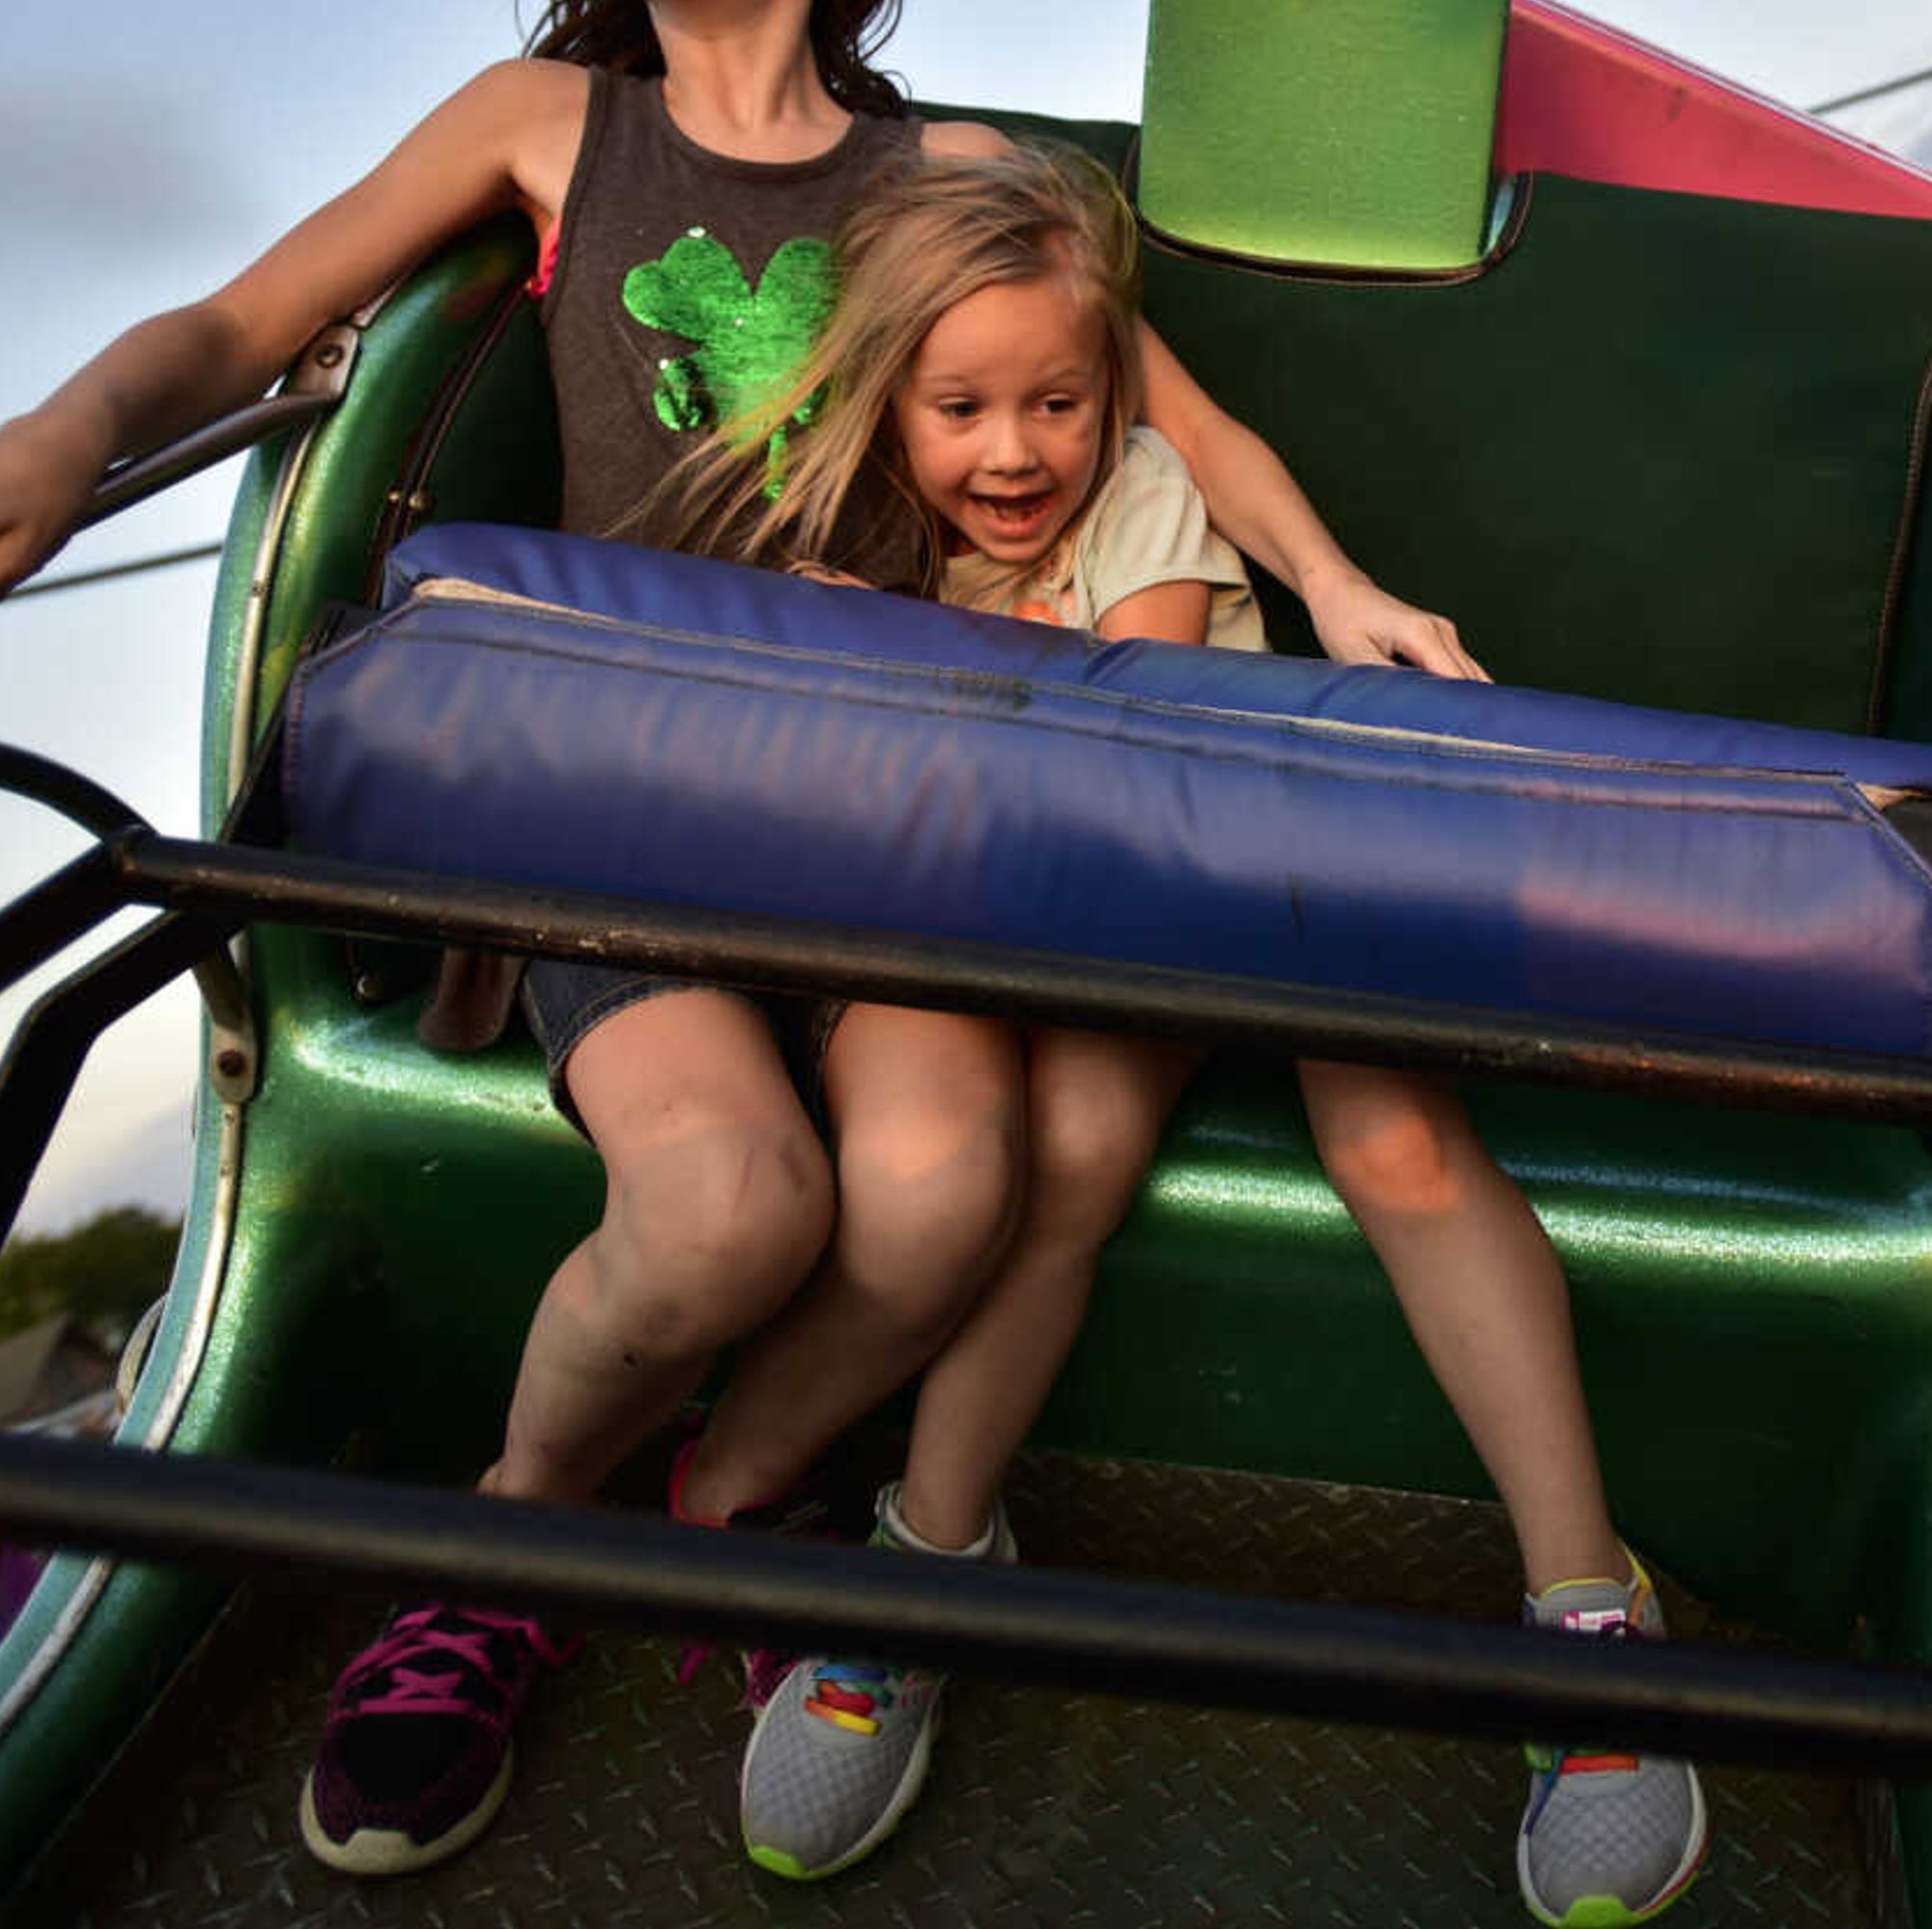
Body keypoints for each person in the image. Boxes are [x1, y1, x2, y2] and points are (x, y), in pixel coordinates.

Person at [0, 0, 1481, 1875]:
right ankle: (514, 1540)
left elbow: (1162, 410)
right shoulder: (548, 123)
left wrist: (1336, 584)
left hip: (897, 808)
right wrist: (58, 441)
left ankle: (734, 1498)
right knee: (733, 1201)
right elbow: (235, 318)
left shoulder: (942, 176)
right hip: (619, 797)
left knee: (944, 1191)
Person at [620, 144, 1706, 1924]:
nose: (1015, 449)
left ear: (1113, 393)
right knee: (1068, 1152)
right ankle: (929, 1567)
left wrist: (892, 678)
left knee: (1396, 1144)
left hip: (1260, 845)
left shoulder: (1135, 498)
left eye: (1056, 397)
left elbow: (1124, 739)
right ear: (888, 403)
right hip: (1098, 921)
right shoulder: (888, 556)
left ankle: (1592, 1616)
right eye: (962, 406)